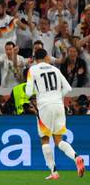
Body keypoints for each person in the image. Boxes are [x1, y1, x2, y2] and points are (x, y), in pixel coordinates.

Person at [25, 48, 85, 180]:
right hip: (58, 105)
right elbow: (68, 88)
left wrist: (39, 94)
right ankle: (77, 157)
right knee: (59, 140)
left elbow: (29, 93)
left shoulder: (33, 70)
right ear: (46, 57)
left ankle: (54, 171)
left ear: (36, 59)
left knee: (45, 139)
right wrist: (57, 96)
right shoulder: (56, 70)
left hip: (45, 106)